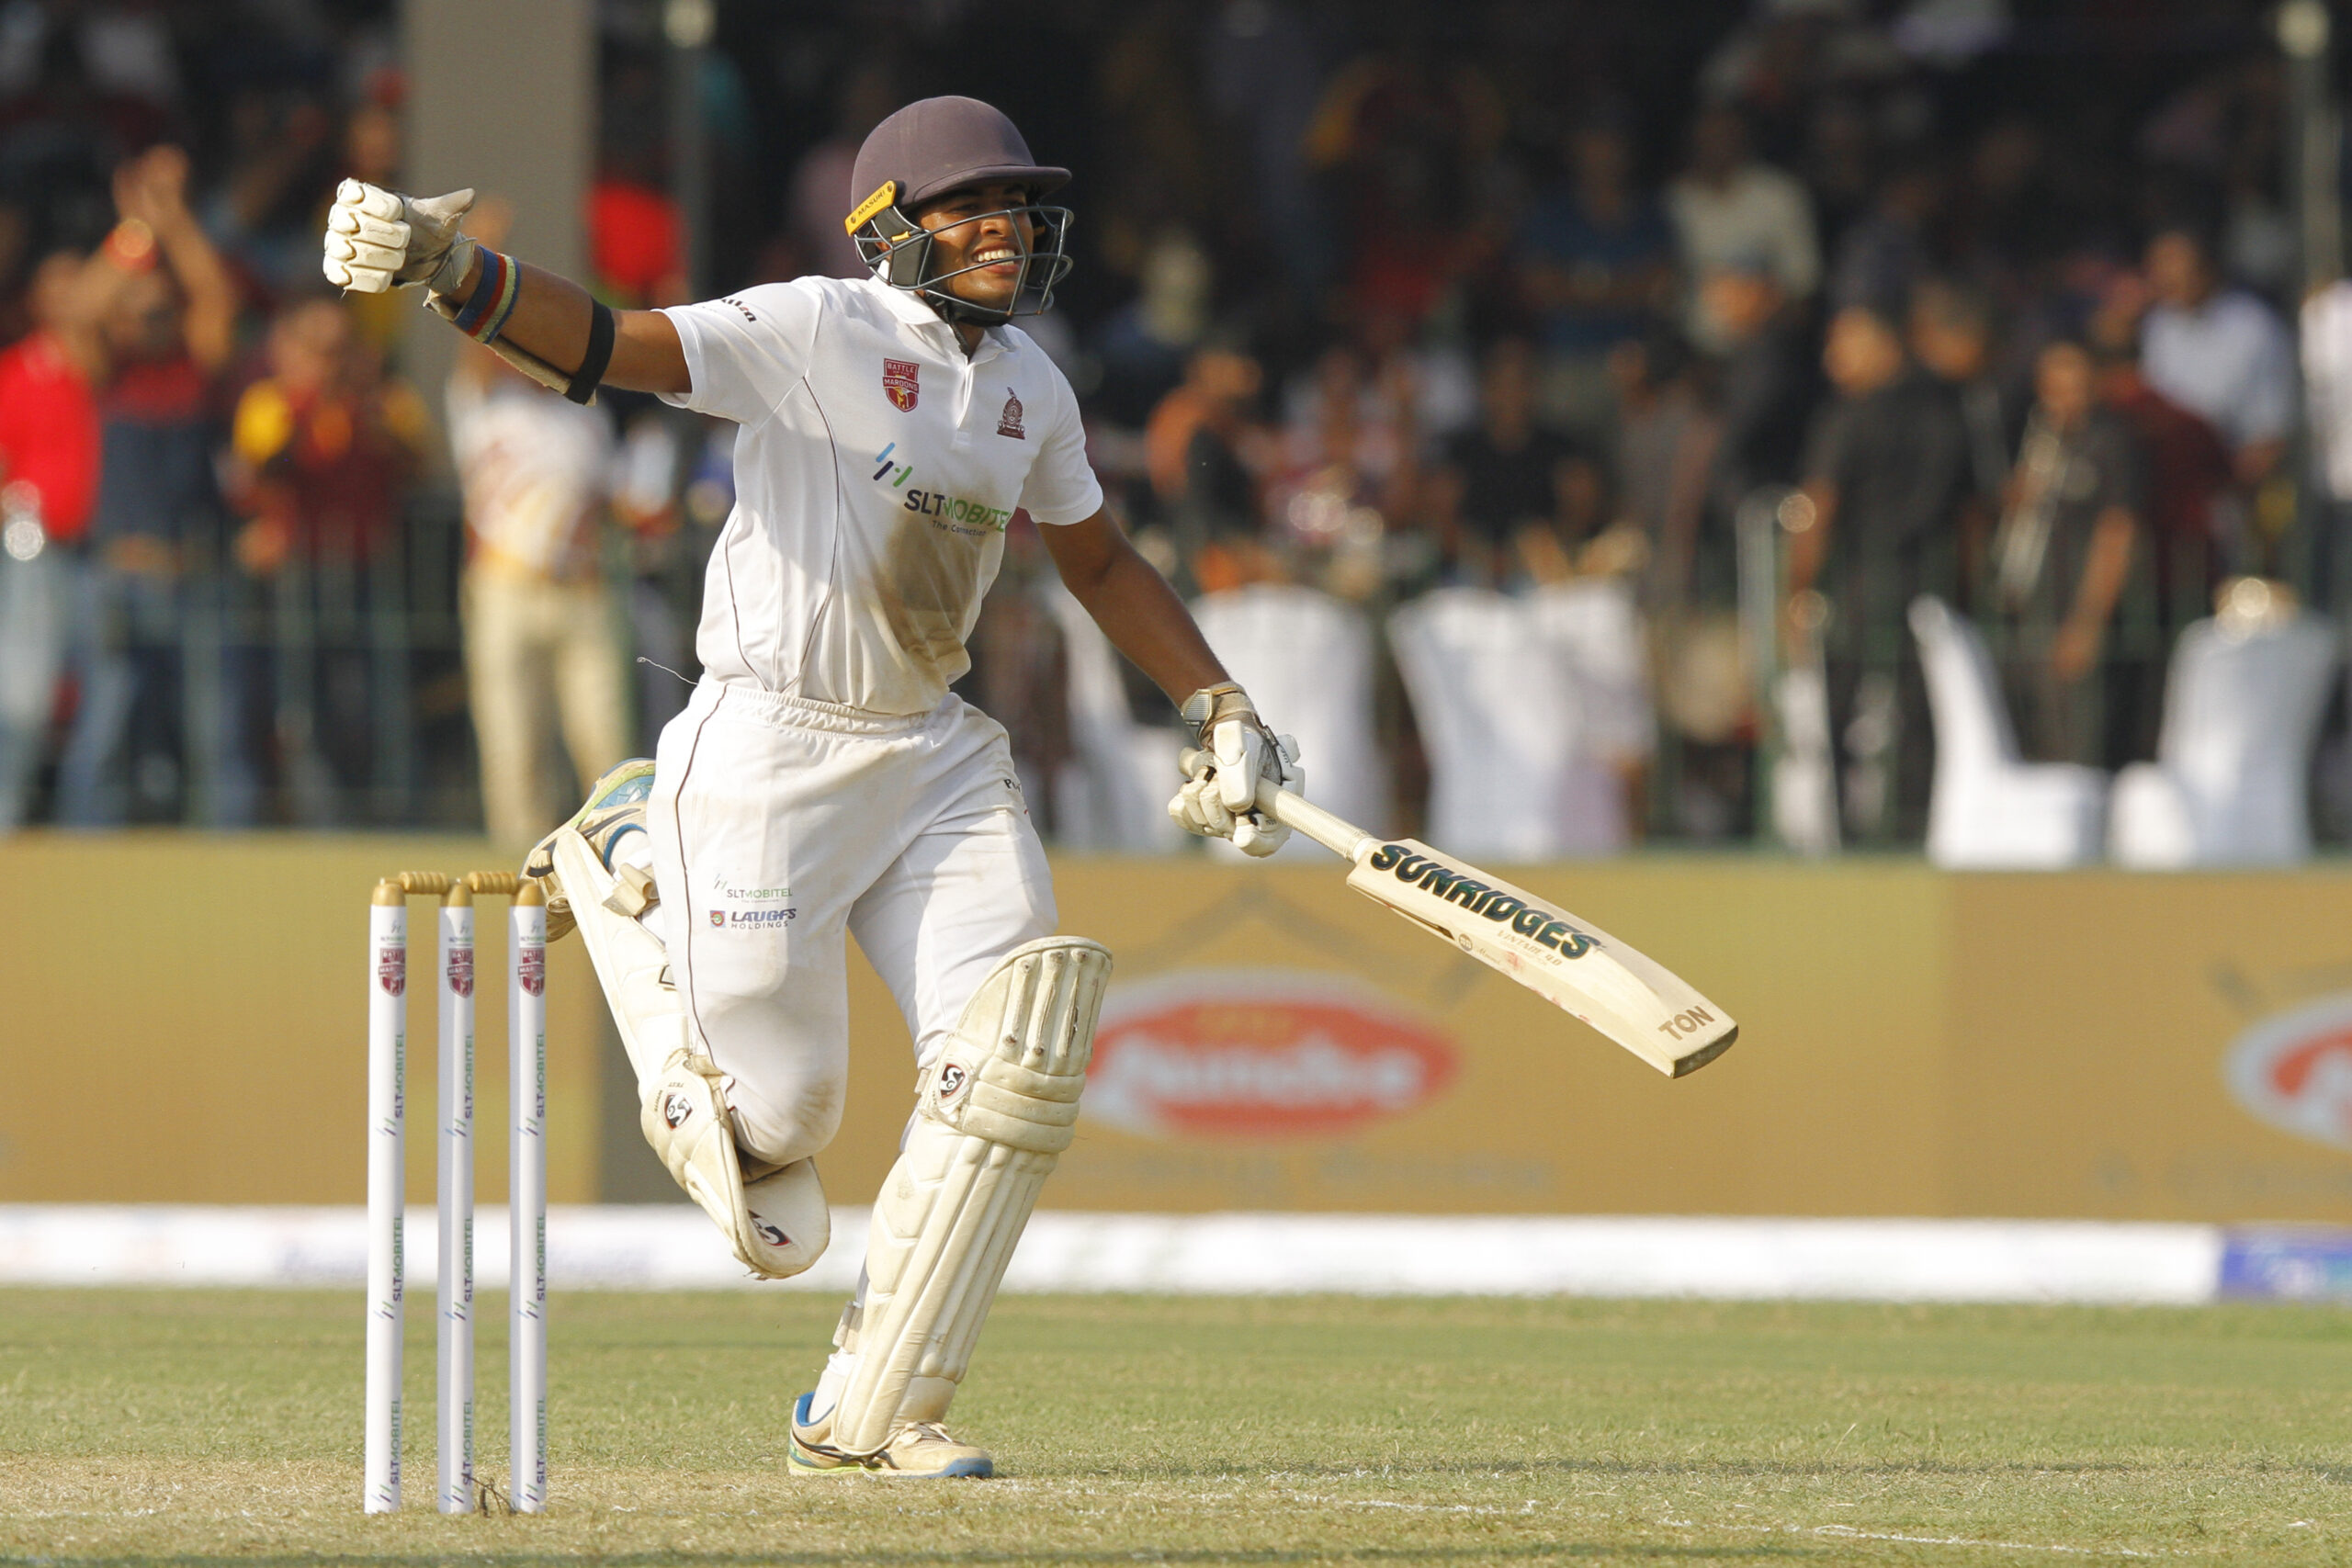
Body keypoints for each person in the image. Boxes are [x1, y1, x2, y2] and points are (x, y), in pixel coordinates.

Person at [322, 96, 1301, 1478]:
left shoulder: (1032, 386)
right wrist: (451, 269)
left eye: (1018, 208)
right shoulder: (815, 326)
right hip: (768, 747)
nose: (1006, 230)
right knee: (780, 1133)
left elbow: (1097, 560)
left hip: (931, 754)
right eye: (971, 207)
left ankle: (871, 1406)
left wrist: (1219, 701)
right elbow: (612, 346)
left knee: (1015, 1056)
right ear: (888, 229)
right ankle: (627, 850)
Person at [1787, 302, 1968, 841]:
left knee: (1840, 711)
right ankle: (1913, 826)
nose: (1831, 357)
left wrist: (1796, 587)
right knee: (1918, 715)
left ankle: (1844, 831)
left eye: (1843, 342)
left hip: (1860, 579)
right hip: (1929, 583)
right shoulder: (1948, 409)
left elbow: (1819, 505)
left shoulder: (1847, 417)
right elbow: (1970, 514)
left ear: (1882, 343)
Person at [447, 340, 632, 843]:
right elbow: (471, 348)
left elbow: (606, 500)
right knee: (512, 741)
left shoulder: (588, 418)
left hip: (582, 594)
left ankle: (618, 850)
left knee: (605, 738)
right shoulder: (485, 407)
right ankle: (518, 859)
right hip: (502, 590)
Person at [1988, 339, 2146, 768]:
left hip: (2076, 608)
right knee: (2035, 733)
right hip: (2033, 604)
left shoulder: (2112, 441)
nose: (2062, 398)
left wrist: (2087, 622)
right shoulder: (2041, 440)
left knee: (2079, 740)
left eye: (2074, 386)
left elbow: (2117, 535)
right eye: (2052, 387)